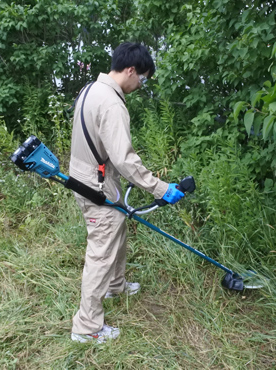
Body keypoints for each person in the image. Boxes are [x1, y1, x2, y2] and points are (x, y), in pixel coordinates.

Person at [69, 43, 185, 343]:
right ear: (130, 71)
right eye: (143, 79)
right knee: (100, 252)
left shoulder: (91, 89)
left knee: (116, 233)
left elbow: (102, 146)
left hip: (92, 177)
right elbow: (123, 157)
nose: (140, 85)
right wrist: (160, 188)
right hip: (96, 186)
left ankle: (116, 285)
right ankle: (86, 327)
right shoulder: (111, 103)